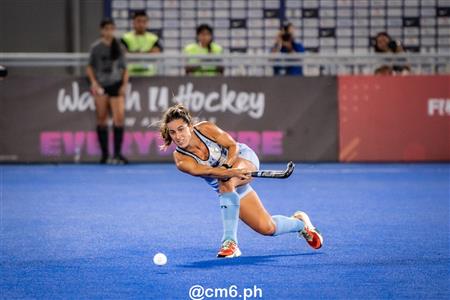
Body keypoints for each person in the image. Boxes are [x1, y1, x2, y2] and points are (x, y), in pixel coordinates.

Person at [159, 104, 323, 258]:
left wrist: (229, 166)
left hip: (243, 158)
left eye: (181, 129)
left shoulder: (205, 128)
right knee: (267, 227)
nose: (178, 136)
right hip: (227, 187)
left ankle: (229, 243)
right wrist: (229, 171)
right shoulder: (181, 159)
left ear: (190, 125)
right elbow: (208, 171)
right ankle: (301, 224)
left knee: (226, 180)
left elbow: (232, 146)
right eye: (173, 132)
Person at [86, 18, 129, 164]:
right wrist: (94, 83)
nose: (109, 31)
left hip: (116, 84)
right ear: (102, 30)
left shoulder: (119, 47)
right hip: (101, 86)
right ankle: (105, 155)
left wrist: (124, 85)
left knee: (119, 119)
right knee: (102, 119)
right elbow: (90, 67)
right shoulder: (96, 48)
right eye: (106, 28)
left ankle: (117, 154)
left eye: (112, 28)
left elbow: (125, 68)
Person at [121, 10, 163, 76]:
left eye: (144, 22)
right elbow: (123, 53)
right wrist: (147, 52)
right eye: (138, 21)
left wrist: (133, 53)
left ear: (147, 23)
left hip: (149, 74)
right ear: (133, 22)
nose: (141, 24)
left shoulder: (153, 38)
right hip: (130, 75)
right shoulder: (126, 38)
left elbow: (156, 52)